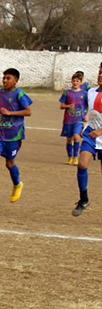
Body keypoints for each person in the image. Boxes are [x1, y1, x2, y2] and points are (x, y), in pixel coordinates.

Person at [0, 68, 32, 206]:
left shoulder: (20, 94)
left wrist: (10, 113)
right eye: (4, 78)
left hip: (13, 135)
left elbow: (28, 112)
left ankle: (17, 184)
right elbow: (2, 107)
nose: (5, 81)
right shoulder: (0, 93)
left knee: (9, 163)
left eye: (8, 78)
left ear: (16, 80)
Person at [71, 69, 102, 216]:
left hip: (99, 133)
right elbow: (89, 109)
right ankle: (84, 199)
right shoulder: (90, 92)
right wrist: (85, 121)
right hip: (90, 134)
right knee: (82, 164)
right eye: (100, 73)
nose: (100, 76)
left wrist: (100, 131)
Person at [58, 72, 88, 166]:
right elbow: (61, 106)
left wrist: (86, 116)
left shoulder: (85, 93)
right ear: (71, 81)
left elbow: (89, 106)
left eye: (77, 81)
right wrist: (67, 106)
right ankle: (69, 156)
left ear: (80, 82)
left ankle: (75, 157)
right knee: (68, 139)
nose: (75, 82)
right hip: (68, 120)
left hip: (79, 119)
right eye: (73, 81)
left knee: (76, 137)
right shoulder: (67, 92)